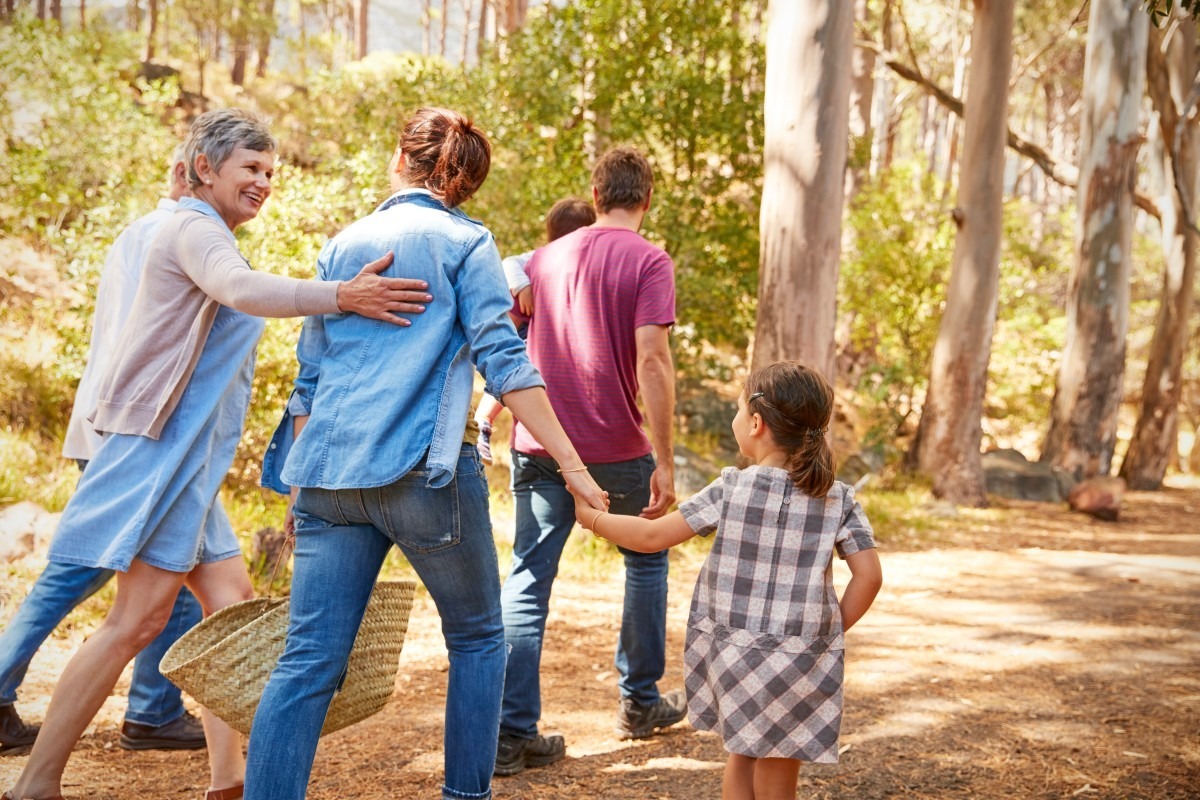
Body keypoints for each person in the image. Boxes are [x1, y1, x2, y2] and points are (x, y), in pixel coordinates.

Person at [3, 108, 435, 800]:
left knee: (229, 603)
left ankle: (229, 780)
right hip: (154, 454)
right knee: (133, 621)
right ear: (204, 169)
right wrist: (342, 295)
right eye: (250, 169)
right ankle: (37, 783)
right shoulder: (192, 227)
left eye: (270, 172)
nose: (264, 182)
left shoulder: (214, 237)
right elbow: (243, 293)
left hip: (188, 466)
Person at [245, 107, 607, 800]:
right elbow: (507, 362)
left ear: (398, 157)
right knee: (477, 638)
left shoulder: (343, 245)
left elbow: (308, 383)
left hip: (327, 481)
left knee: (307, 662)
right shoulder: (465, 242)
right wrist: (574, 465)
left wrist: (298, 495)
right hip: (422, 478)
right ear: (464, 182)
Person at [572, 361, 884, 800]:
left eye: (738, 410)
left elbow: (651, 537)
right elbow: (868, 577)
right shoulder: (837, 497)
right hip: (799, 658)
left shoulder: (733, 488)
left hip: (735, 656)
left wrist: (594, 519)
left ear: (756, 424)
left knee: (741, 753)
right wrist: (824, 632)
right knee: (778, 767)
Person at [0, 148, 208, 757]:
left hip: (127, 428)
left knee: (170, 567)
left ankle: (153, 709)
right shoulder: (177, 235)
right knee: (77, 572)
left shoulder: (141, 233)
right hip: (133, 435)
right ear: (186, 172)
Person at [496, 146, 681, 777]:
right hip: (617, 448)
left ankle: (511, 734)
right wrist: (667, 458)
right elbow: (653, 361)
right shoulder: (650, 260)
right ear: (646, 199)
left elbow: (512, 331)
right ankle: (640, 703)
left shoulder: (543, 260)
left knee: (526, 580)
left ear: (595, 195)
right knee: (647, 560)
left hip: (542, 446)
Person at [473, 197, 596, 464]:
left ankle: (484, 418)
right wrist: (522, 286)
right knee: (515, 368)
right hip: (528, 337)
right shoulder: (540, 258)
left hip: (545, 342)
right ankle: (483, 419)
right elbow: (509, 262)